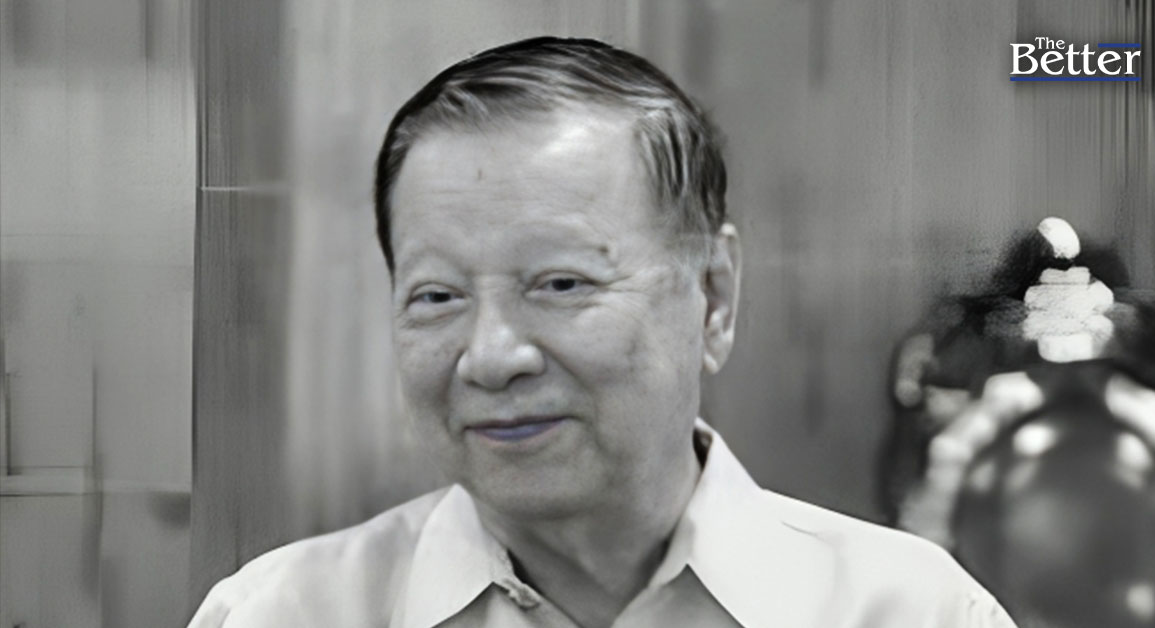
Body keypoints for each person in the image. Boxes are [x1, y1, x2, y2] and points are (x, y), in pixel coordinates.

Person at [189, 37, 1018, 628]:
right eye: (437, 296)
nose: (492, 357)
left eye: (560, 284)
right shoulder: (282, 613)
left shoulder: (912, 612)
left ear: (714, 297)